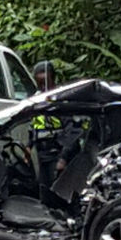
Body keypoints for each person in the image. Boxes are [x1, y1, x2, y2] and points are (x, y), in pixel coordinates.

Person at [28, 60, 85, 188]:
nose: (43, 87)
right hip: (42, 155)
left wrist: (63, 158)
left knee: (59, 192)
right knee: (43, 191)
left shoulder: (62, 102)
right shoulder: (36, 101)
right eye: (39, 83)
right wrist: (28, 146)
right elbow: (33, 125)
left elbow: (73, 132)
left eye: (45, 82)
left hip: (58, 154)